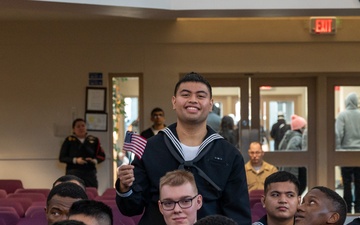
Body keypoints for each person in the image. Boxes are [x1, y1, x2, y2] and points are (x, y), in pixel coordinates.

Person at [116, 72, 251, 225]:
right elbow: (132, 208)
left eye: (200, 96)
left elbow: (238, 214)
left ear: (211, 104)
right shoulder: (150, 148)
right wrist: (125, 187)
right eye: (185, 95)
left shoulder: (229, 154)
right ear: (174, 102)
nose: (193, 100)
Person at [59, 118, 106, 188]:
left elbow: (102, 156)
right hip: (73, 172)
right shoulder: (69, 140)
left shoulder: (94, 140)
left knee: (91, 193)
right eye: (78, 126)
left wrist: (94, 160)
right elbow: (62, 158)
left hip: (89, 172)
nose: (81, 128)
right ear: (73, 129)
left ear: (86, 127)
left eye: (83, 126)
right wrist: (76, 160)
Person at [335, 92, 360, 213]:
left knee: (346, 183)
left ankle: (347, 207)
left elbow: (338, 134)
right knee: (359, 182)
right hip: (359, 154)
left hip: (345, 153)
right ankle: (359, 207)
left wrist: (338, 150)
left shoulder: (342, 115)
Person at [278, 114, 307, 195]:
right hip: (295, 174)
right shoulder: (297, 139)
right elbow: (293, 160)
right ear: (300, 128)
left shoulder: (287, 137)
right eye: (304, 126)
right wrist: (294, 179)